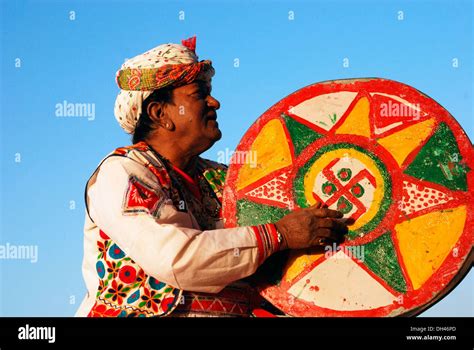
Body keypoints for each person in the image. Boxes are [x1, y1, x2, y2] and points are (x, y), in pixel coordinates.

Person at [76, 37, 348, 317]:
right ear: (160, 113)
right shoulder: (124, 172)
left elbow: (274, 264)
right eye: (198, 94)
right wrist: (280, 234)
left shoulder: (224, 180)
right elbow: (175, 259)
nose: (214, 102)